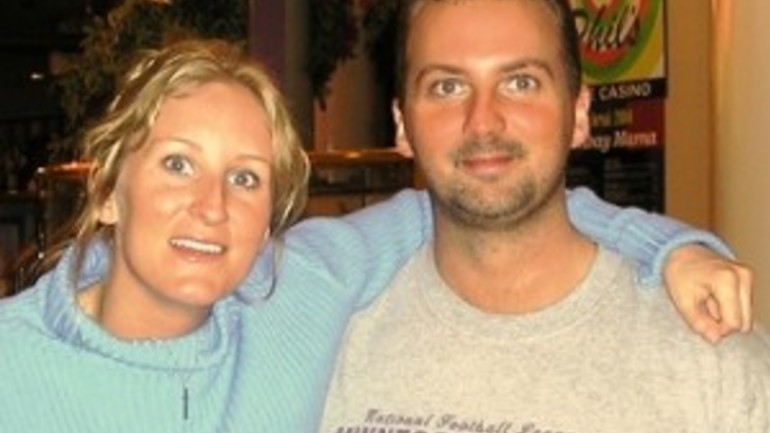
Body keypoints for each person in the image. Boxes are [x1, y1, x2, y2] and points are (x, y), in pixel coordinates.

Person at [0, 38, 752, 432]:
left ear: (270, 214)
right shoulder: (15, 363)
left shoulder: (293, 293)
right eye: (177, 164)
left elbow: (476, 195)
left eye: (246, 178)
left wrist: (662, 244)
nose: (211, 206)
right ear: (108, 189)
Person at [320, 0, 770, 431]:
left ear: (579, 113)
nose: (483, 122)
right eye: (447, 87)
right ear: (402, 124)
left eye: (520, 83)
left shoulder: (712, 361)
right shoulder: (324, 350)